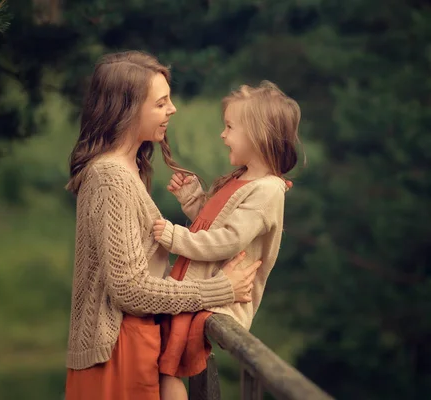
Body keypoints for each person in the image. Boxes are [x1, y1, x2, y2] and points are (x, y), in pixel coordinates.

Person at [63, 50, 262, 400]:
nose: (172, 110)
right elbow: (129, 289)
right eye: (161, 103)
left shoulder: (128, 169)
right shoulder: (111, 178)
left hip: (135, 342)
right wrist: (219, 289)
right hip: (118, 353)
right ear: (126, 110)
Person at [153, 81, 302, 400]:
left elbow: (227, 242)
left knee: (168, 370)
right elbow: (214, 226)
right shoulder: (242, 179)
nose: (223, 134)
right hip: (197, 285)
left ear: (258, 135)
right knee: (161, 365)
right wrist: (193, 200)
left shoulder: (267, 190)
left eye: (230, 127)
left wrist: (173, 236)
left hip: (218, 297)